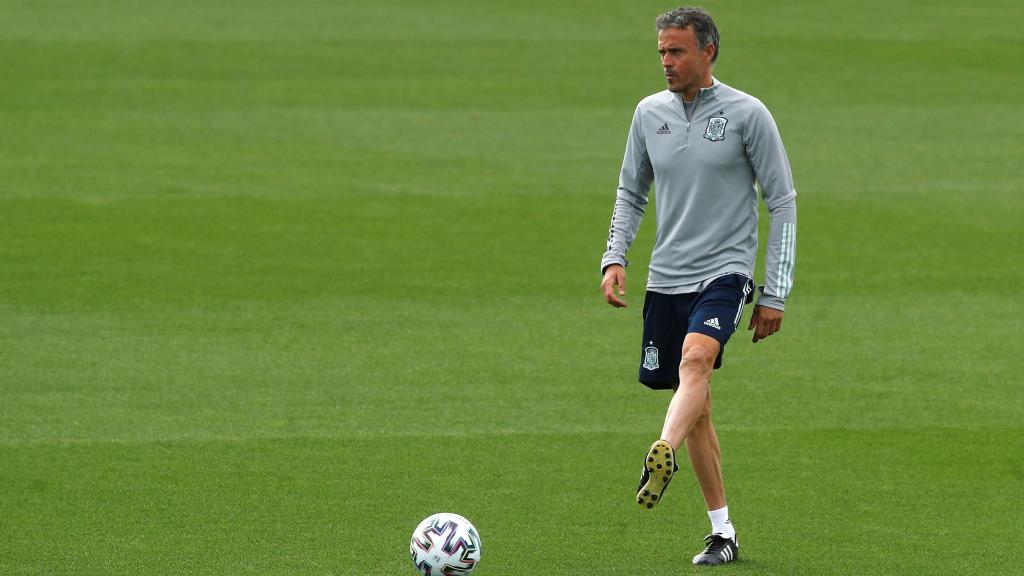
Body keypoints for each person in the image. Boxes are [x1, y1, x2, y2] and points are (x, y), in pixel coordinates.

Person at [599, 6, 797, 566]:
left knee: (696, 360)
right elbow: (630, 192)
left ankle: (660, 451)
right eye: (662, 51)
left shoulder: (747, 114)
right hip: (667, 278)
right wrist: (615, 257)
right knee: (699, 405)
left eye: (677, 51)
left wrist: (774, 293)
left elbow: (782, 201)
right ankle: (723, 533)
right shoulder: (648, 114)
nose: (667, 61)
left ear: (708, 52)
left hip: (726, 272)